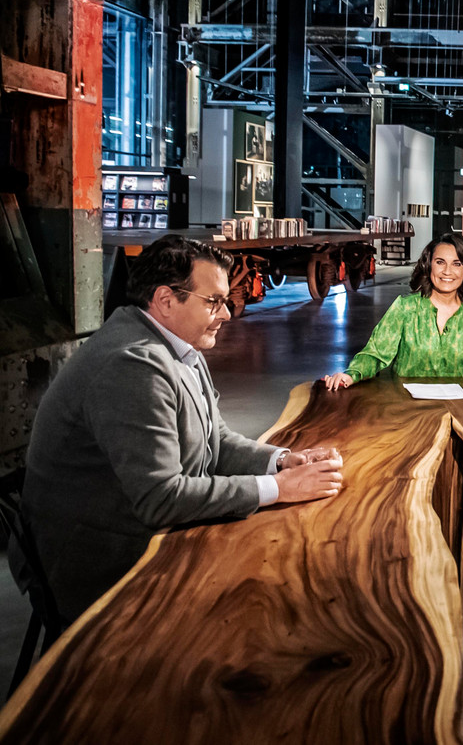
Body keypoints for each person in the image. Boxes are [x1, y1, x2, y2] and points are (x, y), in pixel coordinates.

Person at [21, 235, 344, 623]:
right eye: (214, 301)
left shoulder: (178, 346)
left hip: (152, 536)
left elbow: (216, 440)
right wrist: (279, 488)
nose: (226, 314)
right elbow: (161, 498)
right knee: (273, 605)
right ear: (165, 300)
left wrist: (282, 462)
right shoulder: (132, 365)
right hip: (107, 565)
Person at [324, 233, 463, 391]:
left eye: (457, 264)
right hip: (408, 407)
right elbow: (375, 354)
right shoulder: (405, 308)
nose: (447, 271)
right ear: (428, 265)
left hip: (459, 407)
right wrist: (352, 374)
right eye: (440, 262)